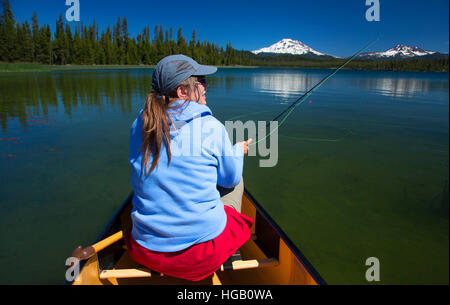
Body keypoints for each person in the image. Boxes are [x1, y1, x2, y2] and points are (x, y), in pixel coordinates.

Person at [125, 54, 253, 281]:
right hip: (201, 256)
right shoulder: (211, 126)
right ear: (183, 92)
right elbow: (229, 180)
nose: (206, 85)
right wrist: (235, 152)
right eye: (201, 80)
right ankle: (231, 252)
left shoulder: (139, 124)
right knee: (236, 178)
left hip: (146, 250)